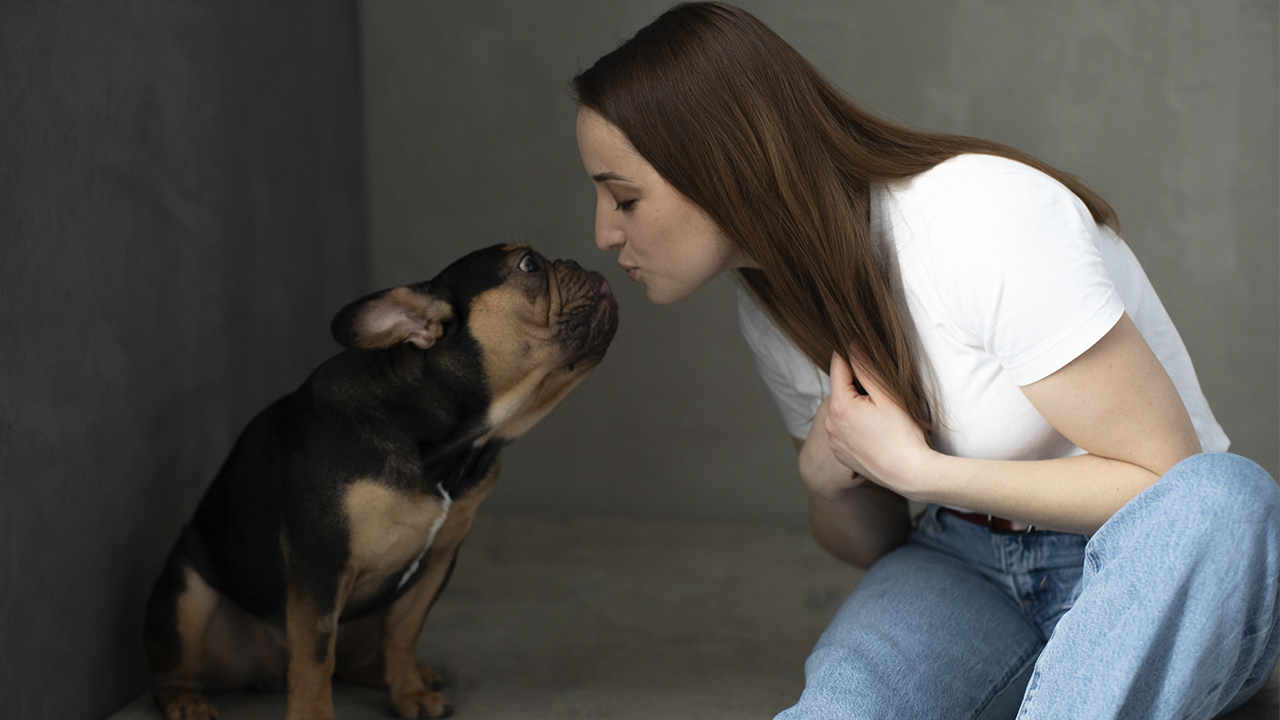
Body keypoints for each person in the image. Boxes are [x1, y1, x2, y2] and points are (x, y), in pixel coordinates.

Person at [571, 3, 1280, 719]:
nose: (603, 232)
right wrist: (827, 484)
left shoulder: (978, 216)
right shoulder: (770, 308)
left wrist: (925, 474)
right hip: (965, 561)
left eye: (624, 198)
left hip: (1151, 574)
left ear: (722, 165)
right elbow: (875, 541)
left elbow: (1165, 487)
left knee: (1225, 494)